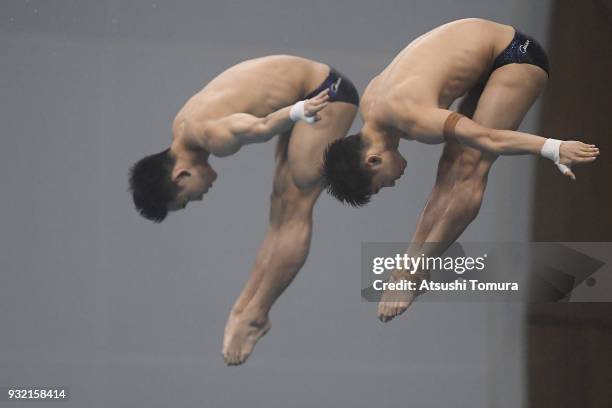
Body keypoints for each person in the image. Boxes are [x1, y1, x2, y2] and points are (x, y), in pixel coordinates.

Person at [321, 19, 599, 321]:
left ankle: (415, 271)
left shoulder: (413, 117)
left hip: (516, 56)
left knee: (471, 165)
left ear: (372, 161)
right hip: (487, 59)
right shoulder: (373, 107)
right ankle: (408, 267)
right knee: (447, 170)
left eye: (380, 185)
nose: (391, 184)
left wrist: (553, 148)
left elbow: (489, 140)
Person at [129, 55, 359, 363]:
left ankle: (256, 312)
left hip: (326, 93)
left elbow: (262, 126)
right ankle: (244, 308)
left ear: (180, 176)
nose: (198, 199)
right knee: (280, 202)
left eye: (186, 200)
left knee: (296, 201)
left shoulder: (215, 137)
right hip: (305, 91)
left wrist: (295, 111)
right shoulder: (182, 127)